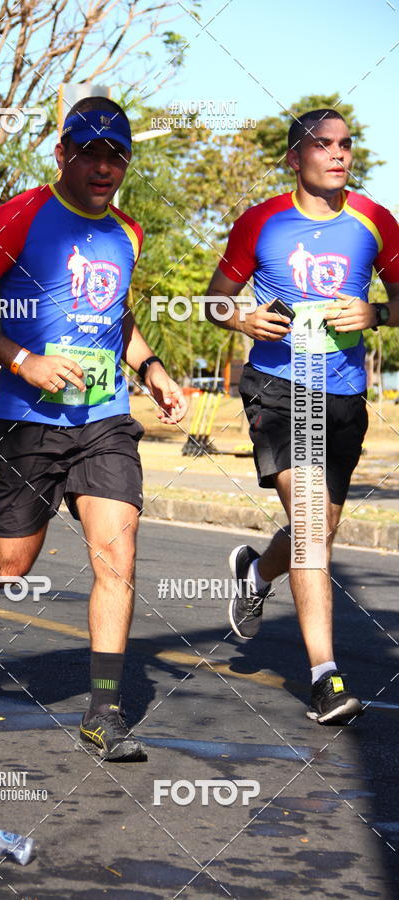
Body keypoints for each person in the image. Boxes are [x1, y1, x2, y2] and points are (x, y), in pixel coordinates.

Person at [0, 96, 187, 761]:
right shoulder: (21, 214)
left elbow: (115, 314)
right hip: (26, 420)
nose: (104, 167)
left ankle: (105, 713)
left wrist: (152, 367)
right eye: (90, 153)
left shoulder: (127, 231)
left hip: (104, 419)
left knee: (117, 552)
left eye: (116, 155)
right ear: (63, 154)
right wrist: (23, 360)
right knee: (12, 565)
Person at [206, 108, 399, 725]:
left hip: (342, 395)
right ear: (295, 158)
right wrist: (239, 318)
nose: (339, 154)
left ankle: (256, 572)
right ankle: (326, 677)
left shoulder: (376, 223)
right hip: (277, 389)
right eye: (323, 145)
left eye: (346, 144)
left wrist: (377, 314)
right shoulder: (260, 222)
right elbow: (212, 301)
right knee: (313, 524)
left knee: (318, 531)